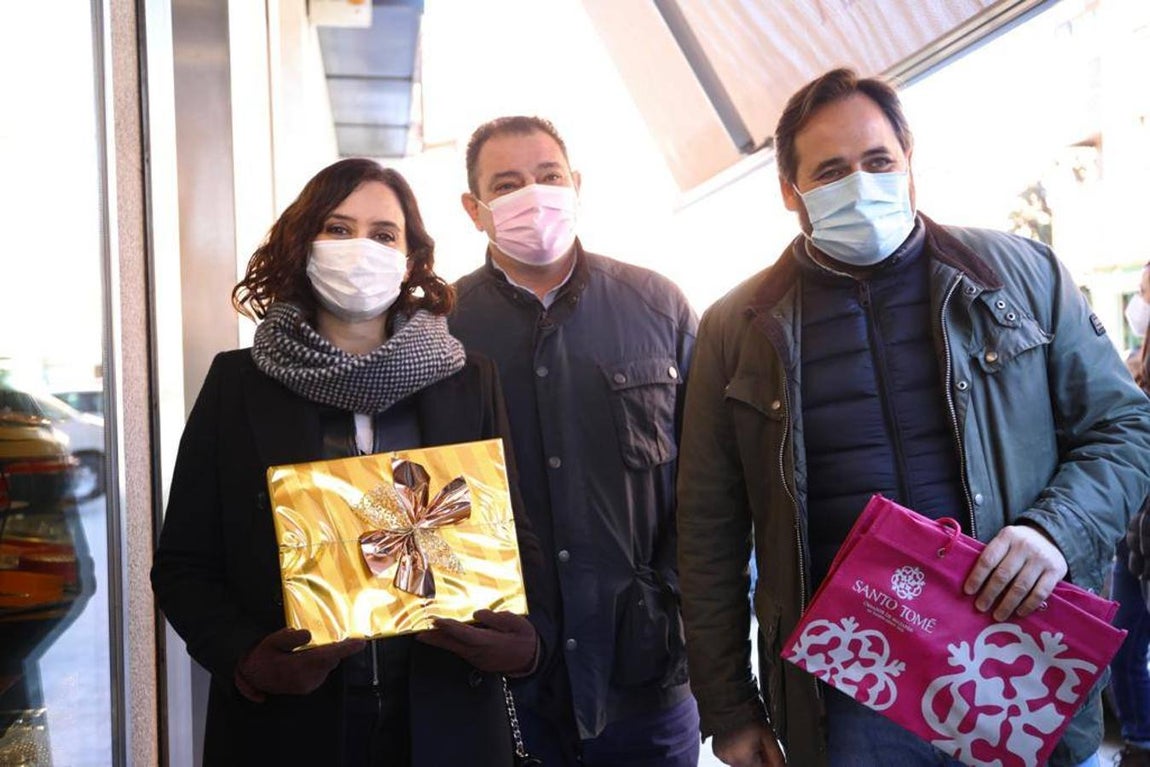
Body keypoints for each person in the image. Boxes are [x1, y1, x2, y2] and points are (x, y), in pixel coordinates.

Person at [675, 68, 1150, 767]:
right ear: (790, 191)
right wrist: (729, 708)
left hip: (1018, 662)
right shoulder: (735, 328)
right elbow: (708, 529)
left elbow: (1127, 429)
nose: (860, 184)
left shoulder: (1021, 276)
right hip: (849, 692)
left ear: (909, 166)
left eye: (877, 162)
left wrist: (1056, 528)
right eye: (831, 171)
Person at [150, 158, 553, 767]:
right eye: (337, 229)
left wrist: (526, 646)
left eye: (383, 234)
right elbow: (183, 564)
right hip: (287, 728)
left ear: (412, 258)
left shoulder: (469, 382)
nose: (359, 247)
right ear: (302, 244)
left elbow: (516, 539)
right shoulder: (238, 385)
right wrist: (246, 658)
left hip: (447, 718)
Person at [448, 115, 701, 766]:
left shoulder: (658, 306)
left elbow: (712, 482)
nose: (533, 194)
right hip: (505, 687)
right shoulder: (437, 329)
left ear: (577, 184)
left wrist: (671, 598)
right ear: (475, 210)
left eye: (548, 175)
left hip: (646, 681)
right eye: (507, 184)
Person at [1112, 263, 1150, 767]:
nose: (1139, 304)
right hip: (1135, 536)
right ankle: (1140, 742)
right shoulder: (1134, 363)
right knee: (1121, 646)